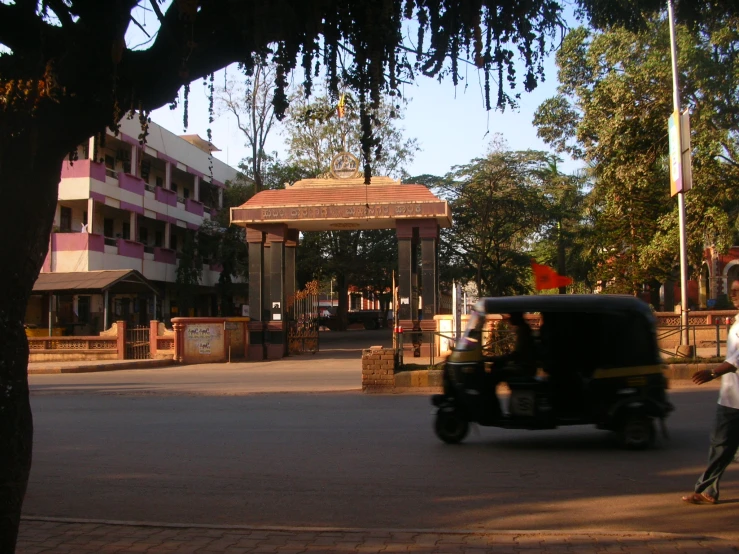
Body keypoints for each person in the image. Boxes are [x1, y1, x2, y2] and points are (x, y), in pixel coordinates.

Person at [682, 278, 739, 505]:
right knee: (720, 444)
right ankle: (707, 491)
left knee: (723, 445)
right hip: (730, 397)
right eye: (733, 291)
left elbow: (736, 360)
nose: (734, 295)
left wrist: (713, 373)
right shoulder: (736, 321)